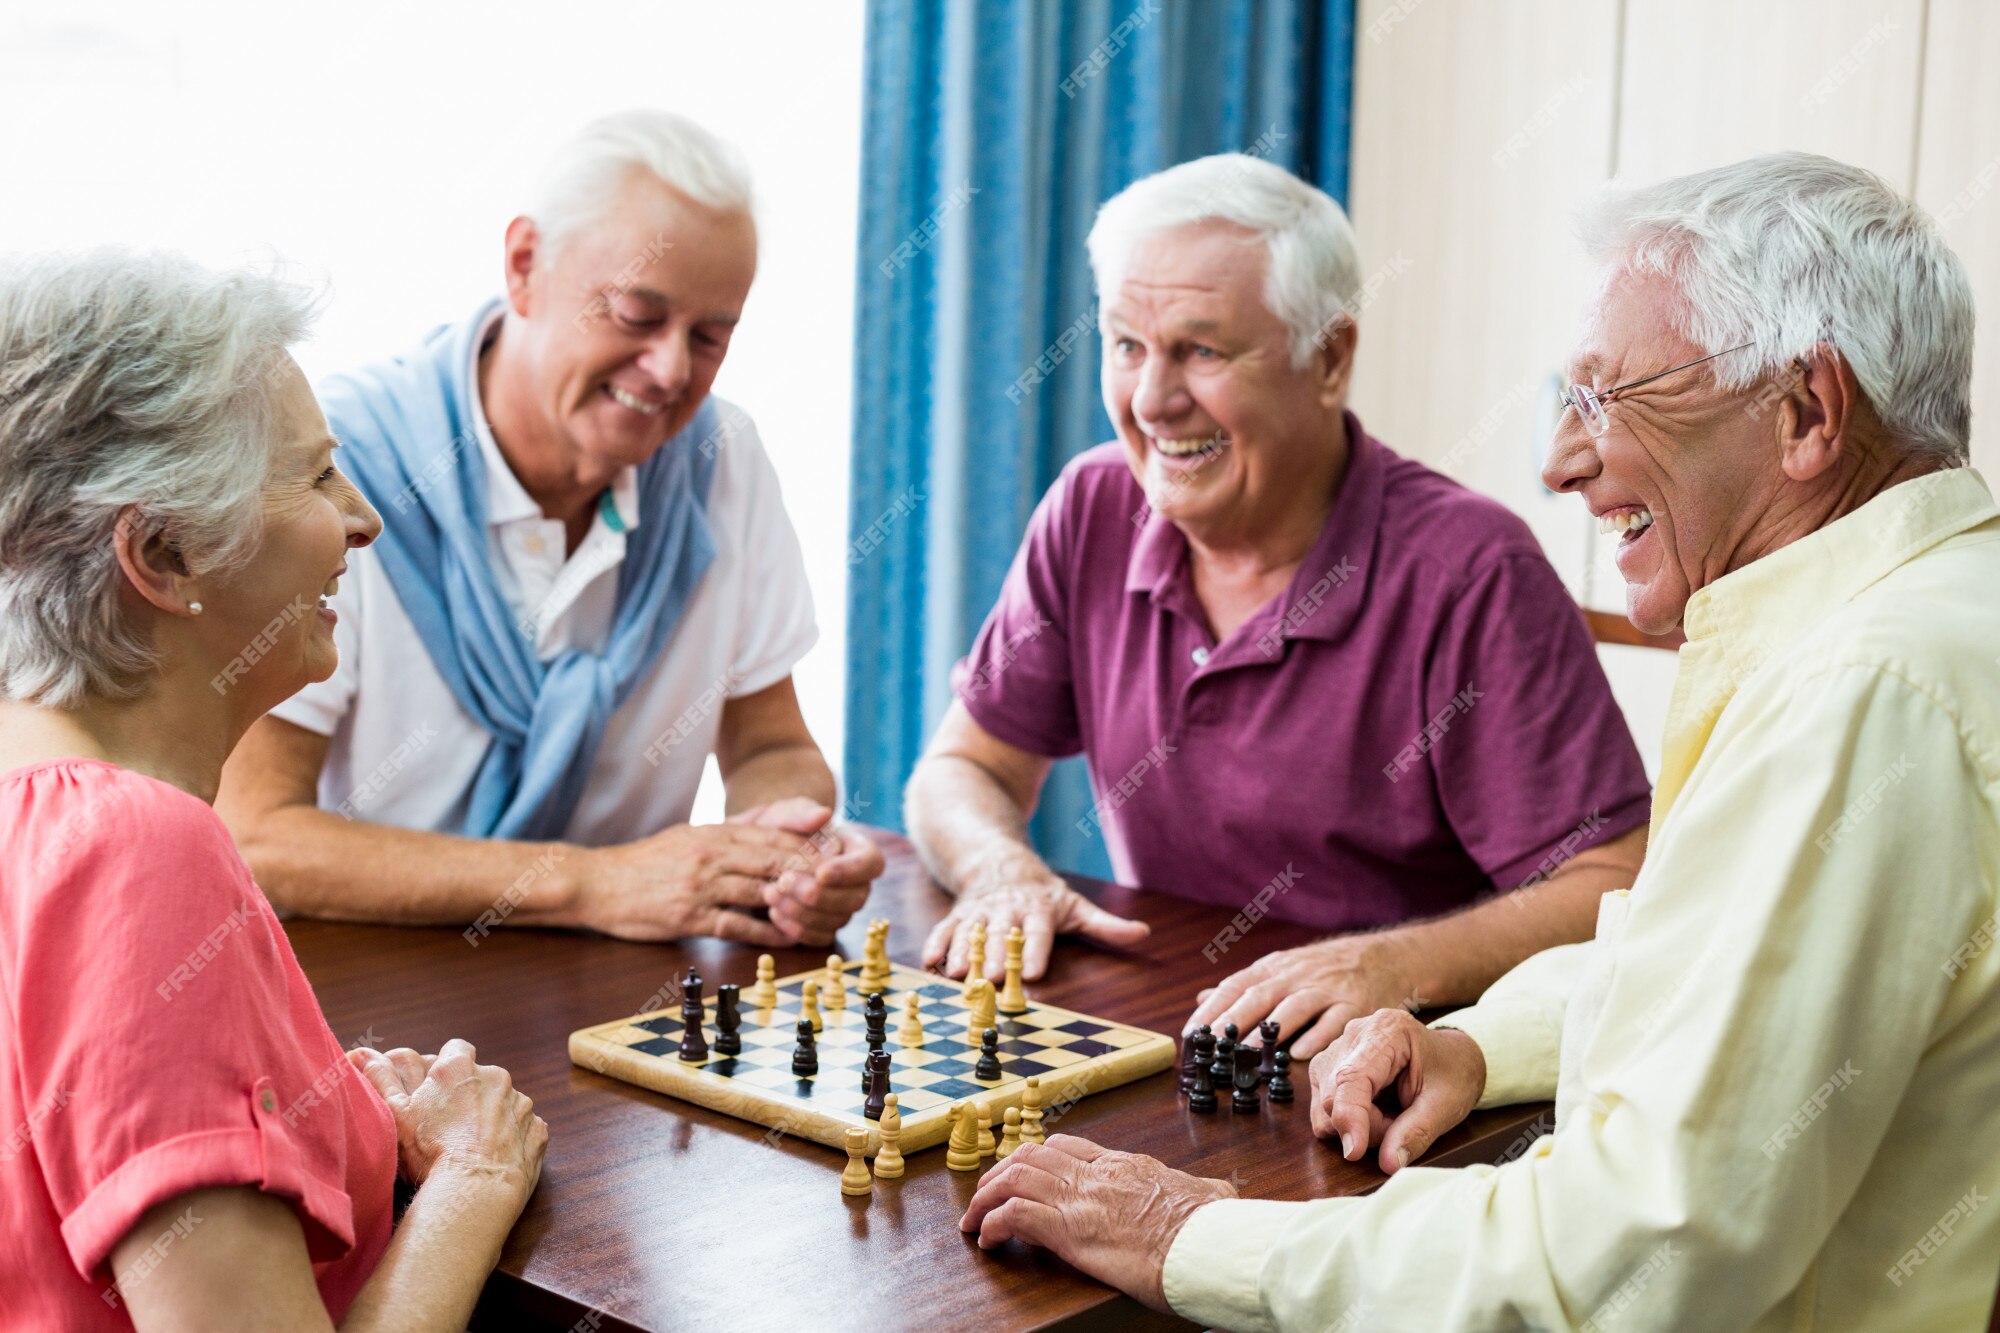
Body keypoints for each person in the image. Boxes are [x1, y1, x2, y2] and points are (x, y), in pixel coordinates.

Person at [957, 152, 2000, 1331]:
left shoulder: (1861, 689)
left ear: (1805, 412)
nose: (1557, 460)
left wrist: (1186, 1233)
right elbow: (1700, 972)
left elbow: (1634, 1257)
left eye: (1604, 399)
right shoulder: (1928, 616)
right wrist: (1478, 1045)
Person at [905, 152, 1649, 1057]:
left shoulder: (1471, 570)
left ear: (1329, 356)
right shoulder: (1092, 505)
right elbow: (960, 769)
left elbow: (1612, 880)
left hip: (1396, 1079)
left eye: (1201, 350)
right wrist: (1002, 871)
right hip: (1177, 1038)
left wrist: (1389, 965)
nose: (1150, 400)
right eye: (1126, 345)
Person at [0, 251, 548, 1328]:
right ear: (163, 553)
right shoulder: (137, 849)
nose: (364, 520)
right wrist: (476, 1180)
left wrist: (315, 1104)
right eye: (313, 476)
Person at [217, 110, 879, 949]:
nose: (673, 369)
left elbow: (770, 741)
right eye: (639, 315)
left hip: (623, 1005)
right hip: (377, 1010)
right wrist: (596, 883)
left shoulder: (724, 457)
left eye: (711, 337)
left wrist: (785, 847)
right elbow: (256, 834)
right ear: (525, 265)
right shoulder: (338, 468)